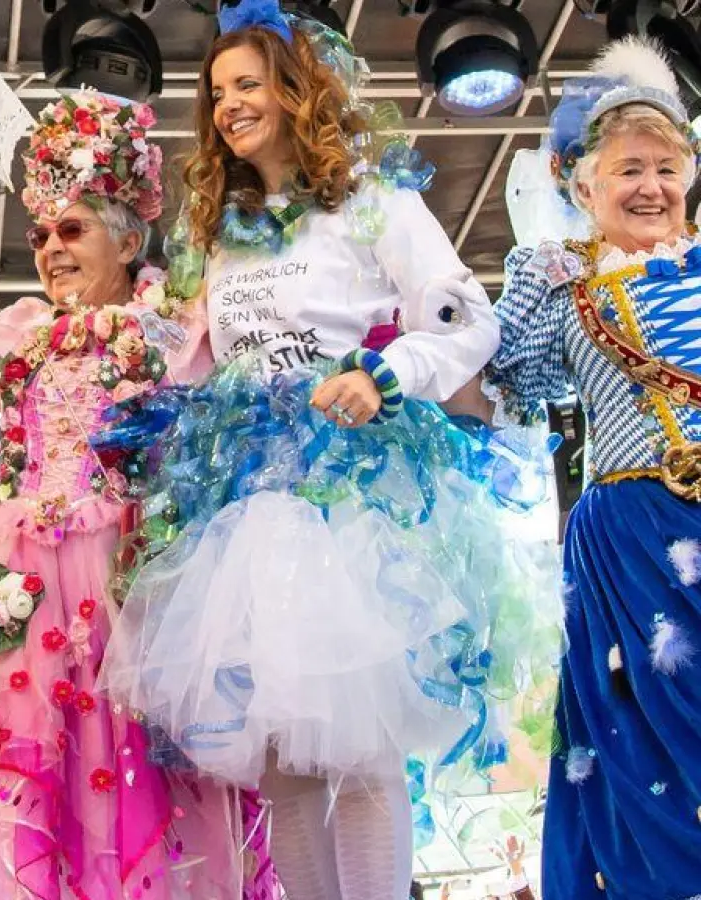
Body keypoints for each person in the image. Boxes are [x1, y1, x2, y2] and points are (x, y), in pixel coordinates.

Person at [94, 2, 557, 899]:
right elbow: (201, 358)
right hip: (246, 505)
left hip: (355, 492)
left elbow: (468, 317)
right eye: (217, 90)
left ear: (295, 89)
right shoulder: (218, 236)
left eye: (248, 83)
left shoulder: (370, 200)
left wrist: (384, 375)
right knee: (287, 771)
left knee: (364, 753)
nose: (229, 105)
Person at [0, 93, 275, 900]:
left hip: (133, 585)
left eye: (72, 231)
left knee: (135, 776)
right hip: (24, 591)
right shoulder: (25, 329)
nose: (51, 250)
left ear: (129, 239)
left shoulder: (178, 324)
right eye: (41, 235)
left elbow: (244, 390)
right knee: (21, 785)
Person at [485, 36, 701, 900]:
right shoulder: (568, 283)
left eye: (667, 168)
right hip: (630, 534)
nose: (651, 187)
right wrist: (533, 275)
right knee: (650, 733)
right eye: (628, 170)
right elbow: (517, 380)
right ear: (584, 187)